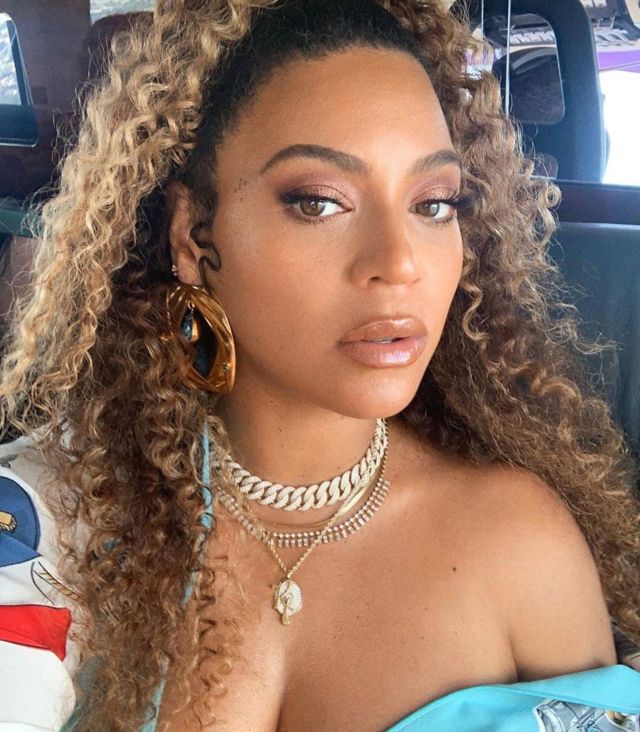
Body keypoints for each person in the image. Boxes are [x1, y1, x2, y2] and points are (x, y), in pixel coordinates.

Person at [0, 0, 639, 730]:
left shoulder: (524, 545)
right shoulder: (58, 522)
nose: (399, 262)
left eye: (435, 204)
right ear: (193, 236)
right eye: (319, 203)